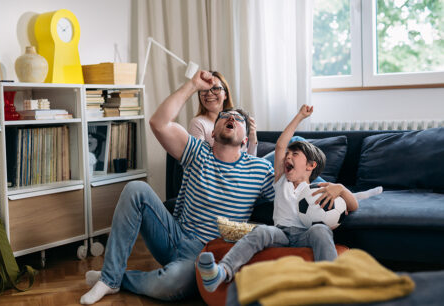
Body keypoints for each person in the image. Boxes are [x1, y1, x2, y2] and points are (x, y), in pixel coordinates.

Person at [80, 70, 276, 304]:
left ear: (246, 139)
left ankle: (116, 279)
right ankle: (110, 280)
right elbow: (158, 123)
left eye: (238, 119)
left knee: (170, 284)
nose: (232, 118)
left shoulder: (260, 169)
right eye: (225, 116)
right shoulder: (197, 151)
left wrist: (330, 188)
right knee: (135, 189)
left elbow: (292, 194)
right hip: (176, 237)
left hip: (207, 254)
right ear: (213, 132)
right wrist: (193, 84)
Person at [197, 105, 359, 292]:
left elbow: (353, 205)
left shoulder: (317, 190)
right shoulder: (281, 180)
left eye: (294, 155)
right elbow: (281, 144)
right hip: (280, 233)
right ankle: (222, 271)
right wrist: (299, 117)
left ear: (310, 165)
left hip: (304, 234)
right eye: (287, 155)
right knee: (261, 232)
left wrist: (340, 188)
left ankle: (331, 282)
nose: (287, 156)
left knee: (321, 231)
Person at [188, 71, 258, 156]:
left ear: (225, 94)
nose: (209, 93)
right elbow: (199, 159)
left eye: (216, 88)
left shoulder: (238, 122)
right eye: (204, 90)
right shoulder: (198, 123)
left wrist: (252, 138)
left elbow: (250, 163)